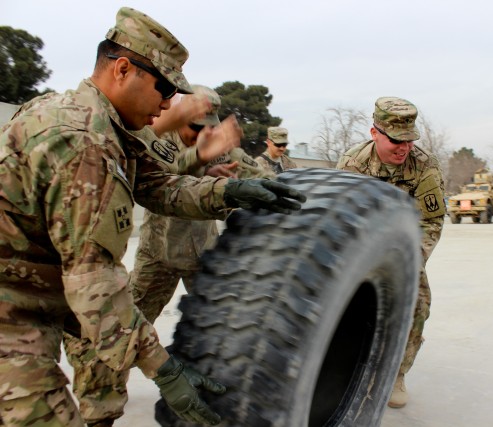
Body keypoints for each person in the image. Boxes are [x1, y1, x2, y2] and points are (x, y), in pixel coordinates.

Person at [0, 7, 305, 427]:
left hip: (39, 298)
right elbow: (95, 284)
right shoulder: (83, 141)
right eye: (164, 88)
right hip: (12, 312)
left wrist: (229, 190)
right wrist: (166, 370)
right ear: (123, 69)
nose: (167, 103)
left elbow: (158, 185)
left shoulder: (106, 126)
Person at [64, 85, 275, 426]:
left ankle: (225, 401)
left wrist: (272, 186)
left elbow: (256, 174)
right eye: (194, 127)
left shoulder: (218, 144)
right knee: (113, 333)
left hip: (201, 257)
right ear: (180, 118)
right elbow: (162, 175)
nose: (201, 135)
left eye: (209, 128)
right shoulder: (154, 138)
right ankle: (100, 408)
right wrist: (201, 163)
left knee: (227, 330)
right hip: (156, 257)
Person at [335, 96, 446, 409]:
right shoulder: (352, 165)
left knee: (418, 304)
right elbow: (342, 218)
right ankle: (348, 370)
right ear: (375, 134)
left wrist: (412, 261)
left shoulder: (424, 166)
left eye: (409, 141)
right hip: (362, 246)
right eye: (396, 141)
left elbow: (431, 221)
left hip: (405, 246)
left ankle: (397, 373)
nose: (403, 148)